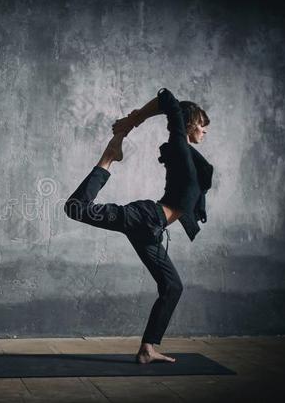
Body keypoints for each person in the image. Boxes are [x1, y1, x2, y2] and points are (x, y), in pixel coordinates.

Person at [64, 87, 214, 364]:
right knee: (75, 208)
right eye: (202, 125)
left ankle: (148, 349)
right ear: (190, 123)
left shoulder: (189, 156)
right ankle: (109, 156)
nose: (205, 131)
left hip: (151, 229)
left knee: (172, 287)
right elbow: (167, 99)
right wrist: (133, 120)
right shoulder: (180, 145)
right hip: (145, 216)